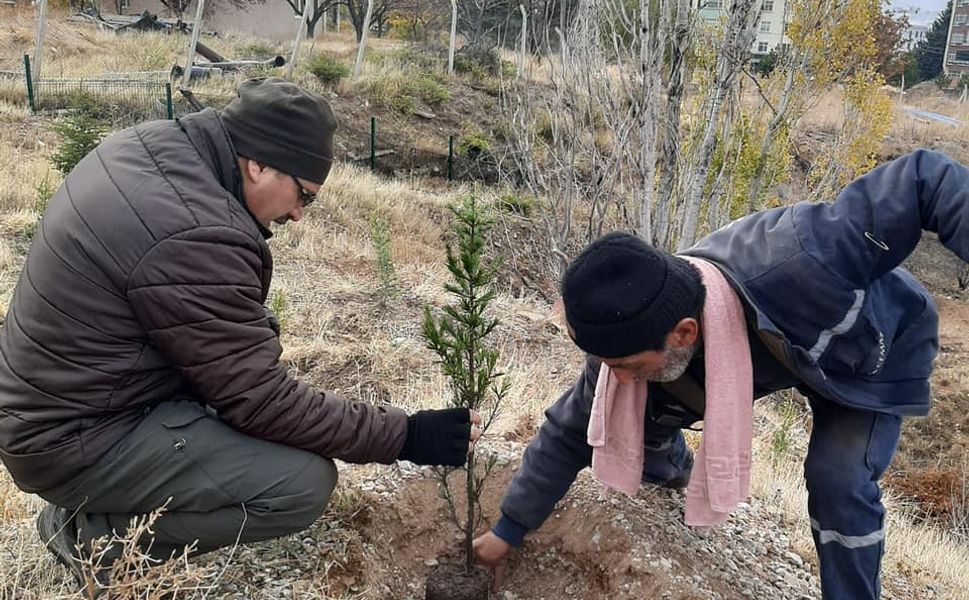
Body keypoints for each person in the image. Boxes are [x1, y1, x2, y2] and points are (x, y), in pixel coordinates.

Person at [0, 78, 479, 593]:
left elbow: (221, 358)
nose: (297, 214)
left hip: (60, 407)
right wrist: (405, 434)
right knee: (300, 485)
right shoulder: (191, 230)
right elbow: (261, 402)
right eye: (304, 197)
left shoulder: (152, 148)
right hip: (72, 440)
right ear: (258, 165)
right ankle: (88, 539)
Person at [473, 149, 969, 600]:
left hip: (869, 351)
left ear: (685, 332)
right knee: (628, 412)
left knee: (837, 479)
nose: (615, 378)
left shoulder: (809, 256)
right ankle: (673, 472)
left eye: (622, 365)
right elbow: (568, 432)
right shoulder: (630, 334)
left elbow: (924, 178)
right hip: (756, 348)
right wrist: (507, 531)